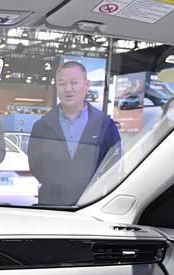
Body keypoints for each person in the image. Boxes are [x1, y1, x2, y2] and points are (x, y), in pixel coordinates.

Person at [28, 60, 122, 207]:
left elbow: (114, 166)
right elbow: (35, 166)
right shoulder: (42, 126)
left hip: (92, 204)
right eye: (62, 83)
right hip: (51, 205)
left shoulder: (105, 125)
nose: (68, 89)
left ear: (87, 84)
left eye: (74, 82)